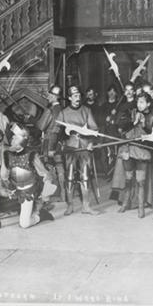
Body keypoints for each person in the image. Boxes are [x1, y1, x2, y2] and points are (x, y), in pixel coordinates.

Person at [0, 124, 55, 231]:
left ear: (23, 140)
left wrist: (45, 194)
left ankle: (41, 215)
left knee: (24, 224)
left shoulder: (32, 155)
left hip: (27, 191)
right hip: (13, 189)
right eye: (13, 136)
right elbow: (4, 175)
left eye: (15, 137)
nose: (12, 138)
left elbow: (46, 174)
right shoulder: (7, 153)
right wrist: (4, 185)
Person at [118, 92, 153, 218]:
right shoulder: (130, 113)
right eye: (138, 102)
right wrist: (134, 122)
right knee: (128, 179)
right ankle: (125, 203)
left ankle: (141, 207)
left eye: (142, 102)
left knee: (140, 181)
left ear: (148, 103)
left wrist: (144, 126)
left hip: (143, 151)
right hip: (129, 149)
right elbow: (121, 127)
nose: (139, 104)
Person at [57, 85, 101, 216]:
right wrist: (60, 144)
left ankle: (86, 206)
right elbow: (57, 131)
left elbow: (94, 129)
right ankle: (70, 205)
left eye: (79, 95)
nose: (77, 98)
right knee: (70, 177)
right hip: (70, 147)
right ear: (70, 98)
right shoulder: (63, 113)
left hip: (84, 146)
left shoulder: (86, 110)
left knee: (85, 176)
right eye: (74, 96)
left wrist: (92, 143)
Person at [110, 83, 137, 202]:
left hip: (134, 136)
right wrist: (113, 119)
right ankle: (121, 194)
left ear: (134, 92)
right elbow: (117, 122)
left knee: (133, 166)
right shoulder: (120, 106)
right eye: (127, 90)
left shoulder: (137, 104)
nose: (129, 92)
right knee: (121, 165)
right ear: (124, 92)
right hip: (123, 138)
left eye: (131, 90)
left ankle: (133, 197)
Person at [42, 85, 67, 203]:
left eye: (50, 95)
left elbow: (46, 127)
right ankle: (62, 194)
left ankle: (48, 196)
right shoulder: (61, 109)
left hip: (51, 141)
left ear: (55, 97)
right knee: (59, 166)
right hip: (57, 141)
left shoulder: (53, 110)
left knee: (49, 168)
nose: (48, 97)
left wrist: (52, 146)